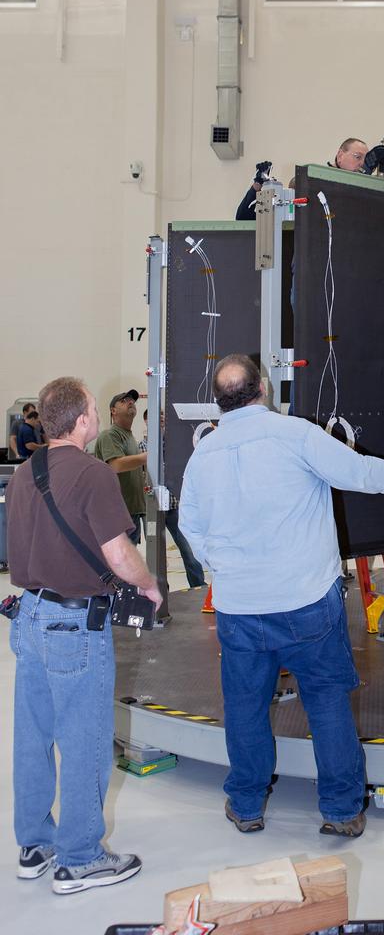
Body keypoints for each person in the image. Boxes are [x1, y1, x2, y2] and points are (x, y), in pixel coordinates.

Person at [179, 353, 384, 839]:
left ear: (218, 403)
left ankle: (246, 805)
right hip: (306, 603)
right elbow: (362, 474)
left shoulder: (203, 456)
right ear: (262, 388)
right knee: (325, 702)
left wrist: (224, 573)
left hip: (239, 609)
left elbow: (190, 527)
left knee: (245, 708)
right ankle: (341, 812)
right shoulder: (295, 435)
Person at [6, 376, 161, 894]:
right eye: (94, 408)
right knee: (86, 740)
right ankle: (79, 858)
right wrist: (149, 585)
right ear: (81, 420)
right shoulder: (93, 473)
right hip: (75, 626)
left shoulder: (26, 472)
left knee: (33, 736)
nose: (97, 414)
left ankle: (35, 844)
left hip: (29, 618)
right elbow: (118, 554)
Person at [235, 137, 384, 220]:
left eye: (366, 160)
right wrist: (257, 186)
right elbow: (243, 219)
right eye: (358, 157)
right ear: (340, 155)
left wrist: (366, 175)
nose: (362, 163)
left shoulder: (365, 190)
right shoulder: (310, 183)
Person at [139, 409, 205, 589]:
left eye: (162, 417)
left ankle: (198, 586)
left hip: (174, 505)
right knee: (156, 556)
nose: (160, 420)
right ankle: (161, 593)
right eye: (155, 417)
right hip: (152, 509)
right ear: (146, 422)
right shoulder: (142, 447)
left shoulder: (174, 447)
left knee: (189, 552)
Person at [93, 390, 147, 545]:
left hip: (132, 510)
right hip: (117, 514)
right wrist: (147, 456)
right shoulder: (110, 435)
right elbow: (116, 465)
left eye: (132, 400)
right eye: (124, 401)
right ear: (113, 411)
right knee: (118, 565)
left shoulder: (129, 436)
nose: (130, 402)